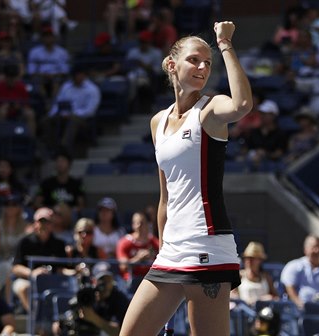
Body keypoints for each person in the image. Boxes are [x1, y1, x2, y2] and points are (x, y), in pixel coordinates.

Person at [119, 21, 253, 336]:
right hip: (171, 250)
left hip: (207, 244)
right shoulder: (158, 122)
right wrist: (163, 243)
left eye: (208, 62)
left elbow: (243, 104)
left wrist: (225, 44)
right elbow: (165, 196)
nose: (203, 67)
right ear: (171, 64)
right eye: (194, 59)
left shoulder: (210, 110)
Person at [11, 207, 67, 313]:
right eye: (41, 222)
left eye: (47, 222)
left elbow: (61, 269)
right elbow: (15, 268)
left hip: (52, 281)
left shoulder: (59, 244)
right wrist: (33, 273)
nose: (44, 225)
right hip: (28, 280)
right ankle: (35, 319)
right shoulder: (24, 242)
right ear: (35, 223)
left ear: (52, 225)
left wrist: (74, 272)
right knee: (23, 288)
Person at [53, 261, 130, 336]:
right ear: (94, 281)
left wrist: (94, 318)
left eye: (109, 280)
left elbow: (120, 332)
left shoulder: (119, 299)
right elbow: (72, 310)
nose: (106, 285)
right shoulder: (86, 294)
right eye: (102, 280)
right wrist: (60, 323)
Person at [43, 65, 101, 155]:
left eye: (81, 75)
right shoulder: (66, 87)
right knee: (47, 120)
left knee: (73, 120)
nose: (79, 77)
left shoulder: (92, 89)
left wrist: (72, 114)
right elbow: (58, 103)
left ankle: (64, 147)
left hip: (83, 119)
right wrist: (53, 113)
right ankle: (51, 147)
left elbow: (90, 111)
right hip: (64, 115)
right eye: (77, 75)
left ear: (85, 76)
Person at [0, 194, 31, 303]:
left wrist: (28, 235)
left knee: (8, 268)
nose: (10, 208)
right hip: (3, 261)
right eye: (7, 204)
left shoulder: (27, 226)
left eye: (14, 204)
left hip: (19, 264)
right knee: (5, 267)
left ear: (19, 208)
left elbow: (25, 249)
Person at [280, 234, 319, 309]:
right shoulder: (294, 266)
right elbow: (289, 287)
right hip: (298, 310)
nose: (316, 250)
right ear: (305, 249)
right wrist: (300, 304)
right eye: (313, 247)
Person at [116, 211, 159, 290]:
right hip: (131, 281)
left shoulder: (154, 242)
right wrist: (139, 258)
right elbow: (123, 267)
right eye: (136, 223)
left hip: (152, 280)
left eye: (142, 223)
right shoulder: (124, 242)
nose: (139, 226)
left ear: (148, 224)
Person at [231, 242, 279, 306]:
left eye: (253, 258)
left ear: (260, 260)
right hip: (244, 313)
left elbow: (276, 298)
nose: (249, 261)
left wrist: (270, 298)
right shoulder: (239, 276)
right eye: (247, 258)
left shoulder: (266, 277)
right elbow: (232, 295)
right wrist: (246, 301)